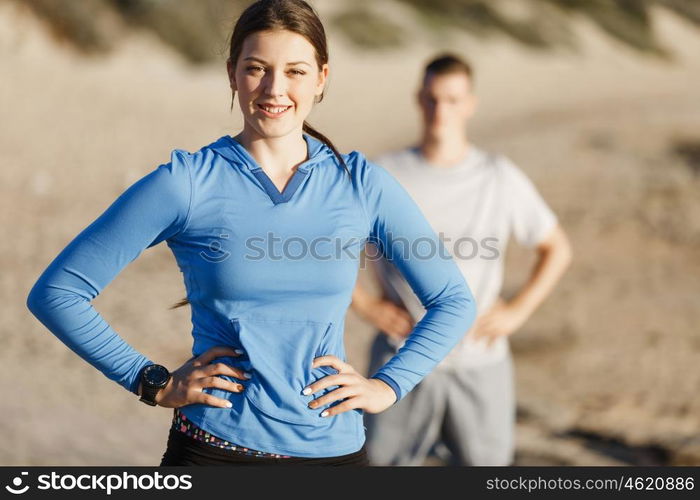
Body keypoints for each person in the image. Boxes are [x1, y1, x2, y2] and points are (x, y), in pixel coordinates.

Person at [25, 0, 477, 466]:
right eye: (256, 68)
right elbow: (58, 293)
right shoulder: (187, 182)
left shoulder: (361, 184)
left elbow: (453, 302)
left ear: (322, 78)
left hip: (334, 454)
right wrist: (151, 382)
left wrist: (387, 385)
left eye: (296, 71)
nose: (274, 88)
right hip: (212, 451)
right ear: (232, 74)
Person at [351, 53, 573, 466]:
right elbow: (330, 247)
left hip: (480, 357)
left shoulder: (498, 176)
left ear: (470, 104)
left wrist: (516, 313)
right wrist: (366, 305)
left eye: (453, 100)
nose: (441, 110)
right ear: (419, 99)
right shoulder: (384, 173)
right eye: (433, 98)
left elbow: (556, 248)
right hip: (401, 355)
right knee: (378, 466)